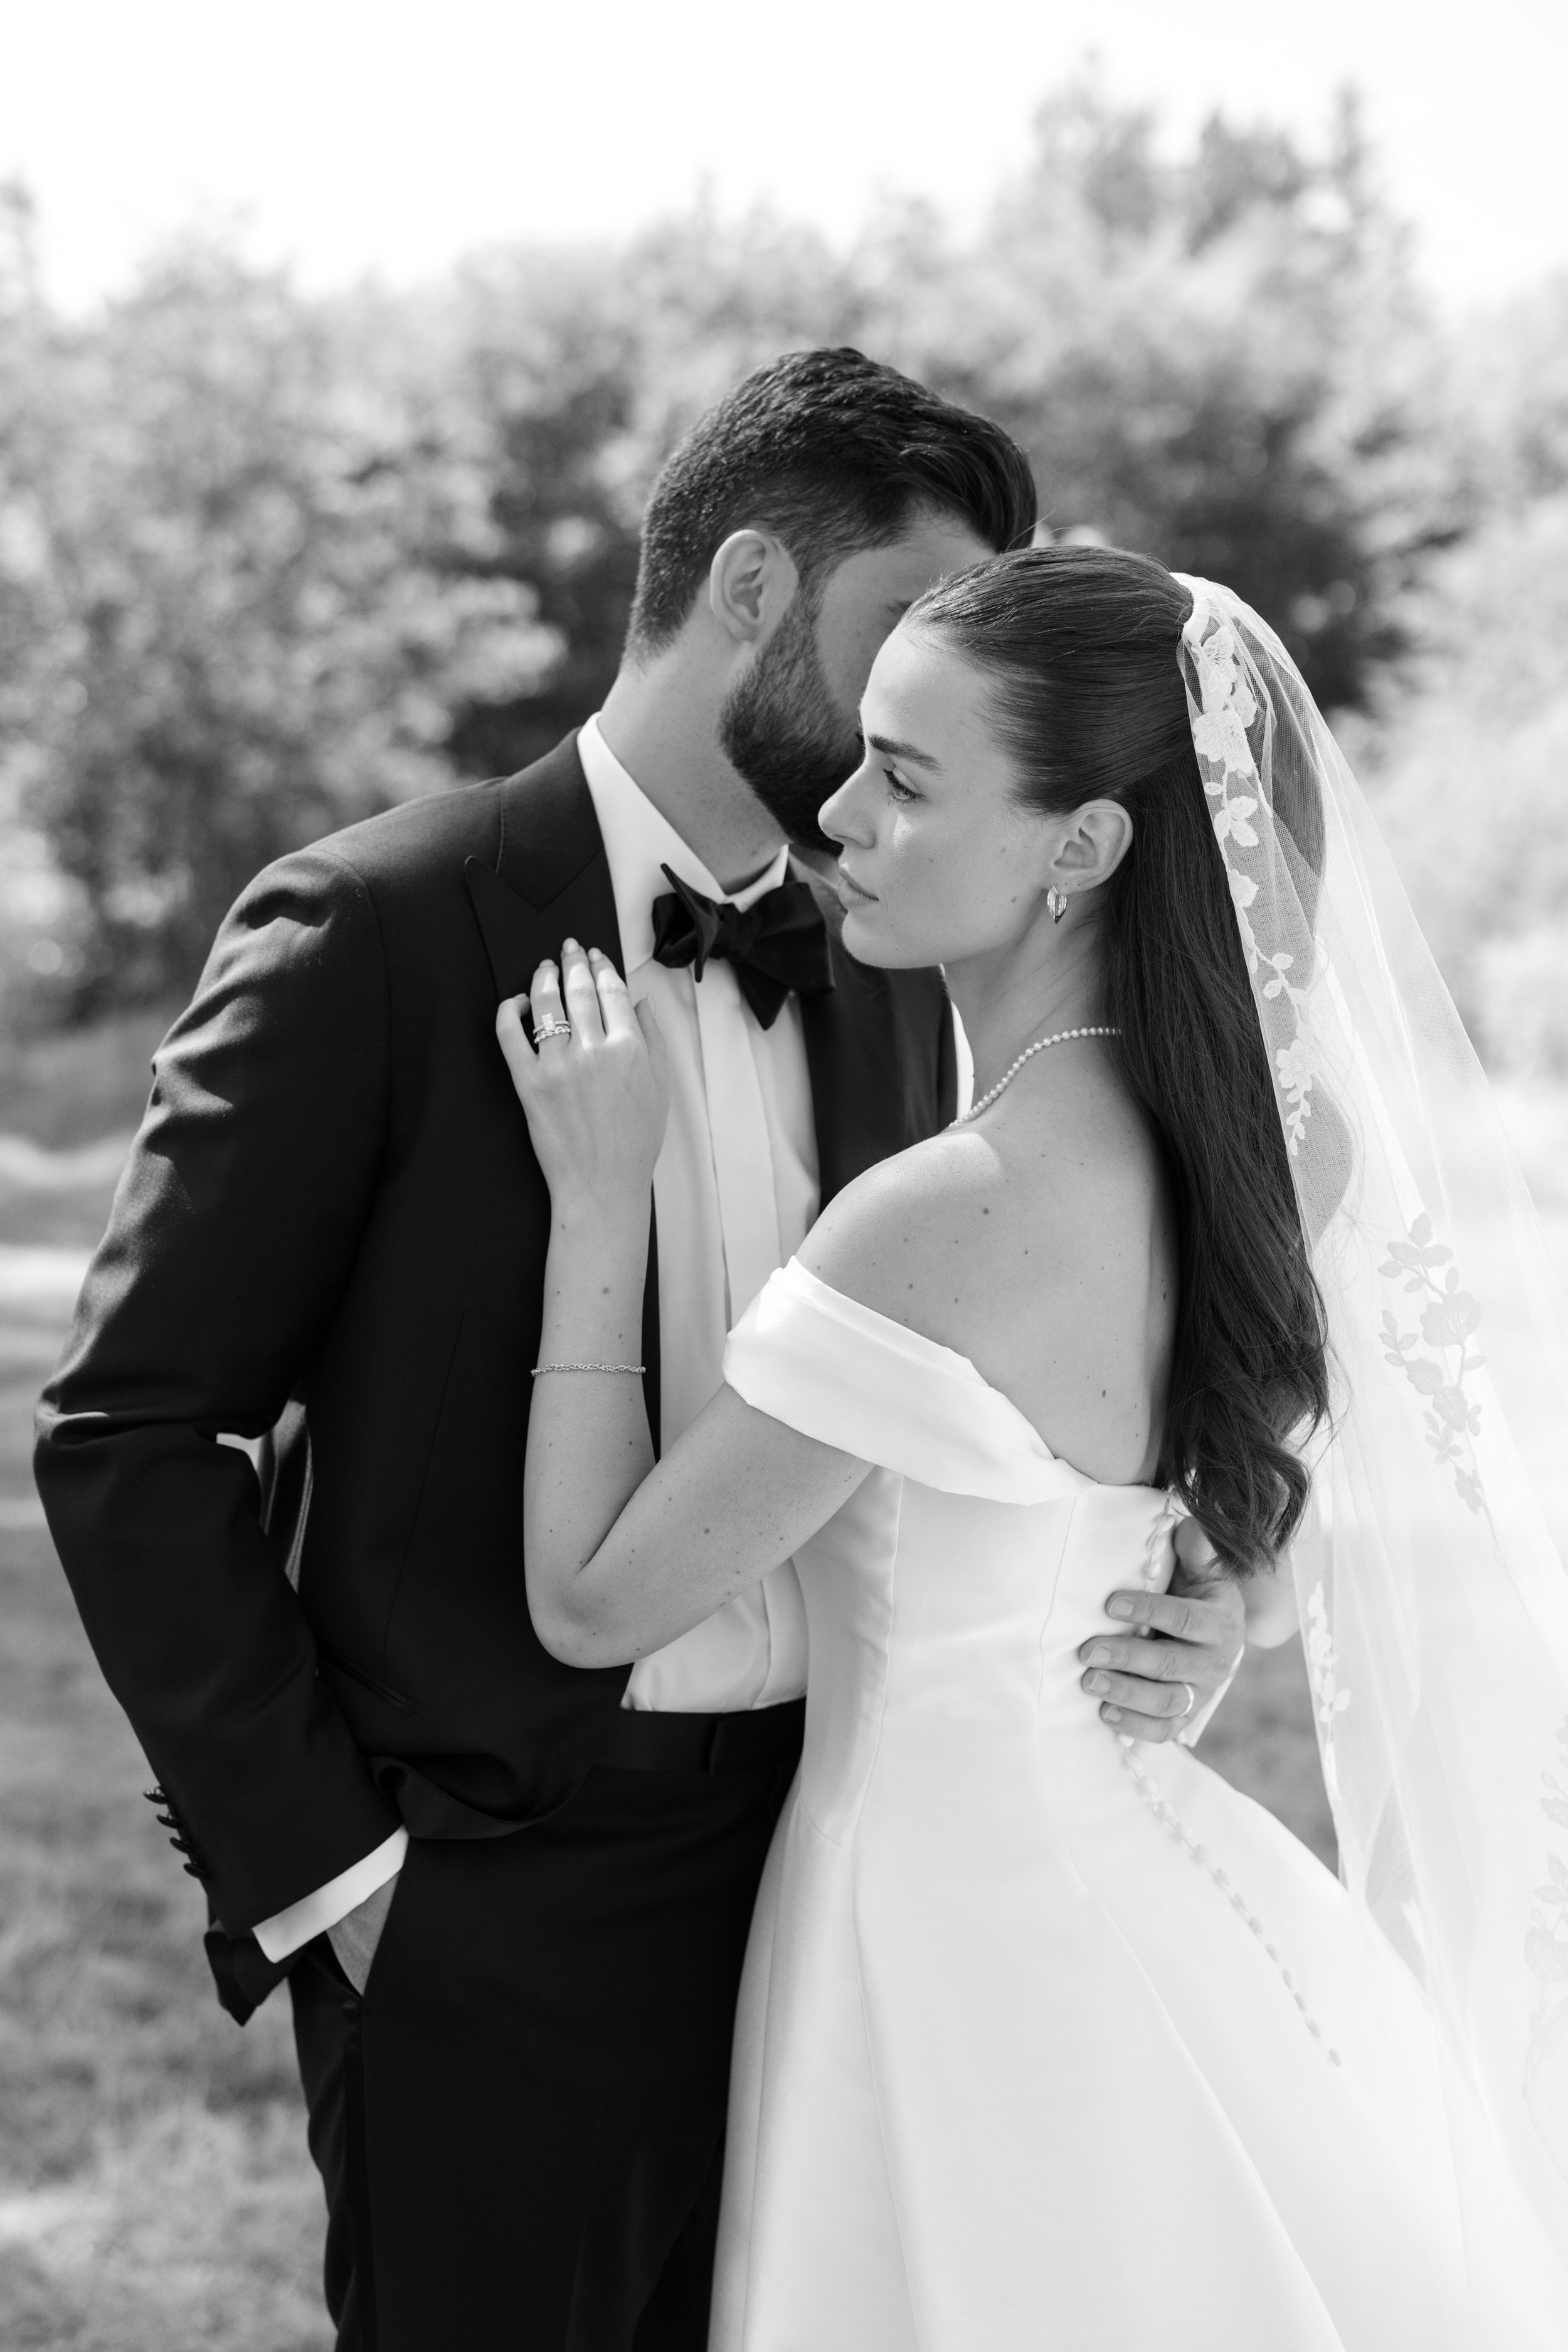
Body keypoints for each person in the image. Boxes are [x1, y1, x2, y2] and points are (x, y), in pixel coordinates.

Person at [33, 356, 1245, 2351]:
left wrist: (1182, 1593)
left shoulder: (908, 963)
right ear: (751, 589)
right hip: (493, 1903)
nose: (915, 697)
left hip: (847, 1877)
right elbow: (131, 1430)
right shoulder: (374, 928)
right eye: (897, 624)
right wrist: (339, 1881)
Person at [499, 543, 1568, 2349]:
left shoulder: (946, 1212)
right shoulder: (1260, 1144)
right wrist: (1217, 1600)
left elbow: (595, 1601)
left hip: (951, 1941)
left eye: (906, 779)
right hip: (1143, 1874)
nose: (840, 812)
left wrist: (602, 1201)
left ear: (1082, 845)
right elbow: (1229, 1523)